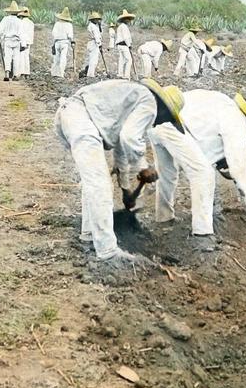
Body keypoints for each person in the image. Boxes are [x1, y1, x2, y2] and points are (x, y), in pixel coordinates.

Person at [54, 78, 185, 266]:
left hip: (71, 116)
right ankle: (107, 252)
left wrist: (125, 190)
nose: (160, 123)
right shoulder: (149, 102)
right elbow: (129, 138)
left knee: (93, 181)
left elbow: (121, 151)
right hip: (80, 118)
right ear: (164, 108)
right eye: (168, 118)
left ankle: (89, 234)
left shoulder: (134, 99)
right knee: (99, 185)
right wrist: (144, 167)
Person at [148, 89, 246, 237]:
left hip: (159, 119)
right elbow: (238, 170)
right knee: (204, 174)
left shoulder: (225, 105)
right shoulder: (238, 122)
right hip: (174, 122)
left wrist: (221, 162)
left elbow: (201, 141)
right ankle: (203, 234)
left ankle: (164, 218)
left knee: (167, 174)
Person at [0, 1, 20, 81]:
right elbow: (22, 33)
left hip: (8, 40)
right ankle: (16, 75)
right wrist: (23, 44)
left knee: (7, 57)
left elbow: (1, 29)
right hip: (16, 41)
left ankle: (7, 73)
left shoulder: (5, 19)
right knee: (16, 58)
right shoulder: (19, 21)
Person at [51, 7, 74, 78]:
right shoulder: (69, 25)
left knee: (56, 58)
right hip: (65, 42)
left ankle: (54, 73)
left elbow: (53, 34)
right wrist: (72, 42)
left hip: (57, 42)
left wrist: (54, 42)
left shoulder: (57, 24)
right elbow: (70, 35)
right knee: (63, 58)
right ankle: (61, 73)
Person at [81, 11, 104, 78]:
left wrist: (99, 26)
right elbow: (97, 37)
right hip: (94, 43)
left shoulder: (92, 26)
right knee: (94, 60)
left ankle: (88, 73)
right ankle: (90, 74)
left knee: (91, 59)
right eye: (96, 19)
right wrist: (99, 45)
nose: (97, 20)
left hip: (91, 43)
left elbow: (99, 33)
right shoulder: (93, 27)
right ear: (93, 19)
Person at [115, 10, 135, 79]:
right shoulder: (124, 27)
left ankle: (120, 74)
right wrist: (129, 45)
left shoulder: (120, 26)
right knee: (129, 60)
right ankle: (126, 75)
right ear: (124, 19)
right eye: (128, 19)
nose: (129, 20)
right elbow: (126, 37)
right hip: (124, 45)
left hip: (119, 45)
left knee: (122, 60)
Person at [17, 6, 34, 77]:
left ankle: (22, 72)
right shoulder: (31, 23)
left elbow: (20, 33)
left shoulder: (20, 22)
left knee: (21, 56)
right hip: (28, 41)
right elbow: (31, 34)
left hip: (22, 41)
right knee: (26, 57)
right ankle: (27, 72)